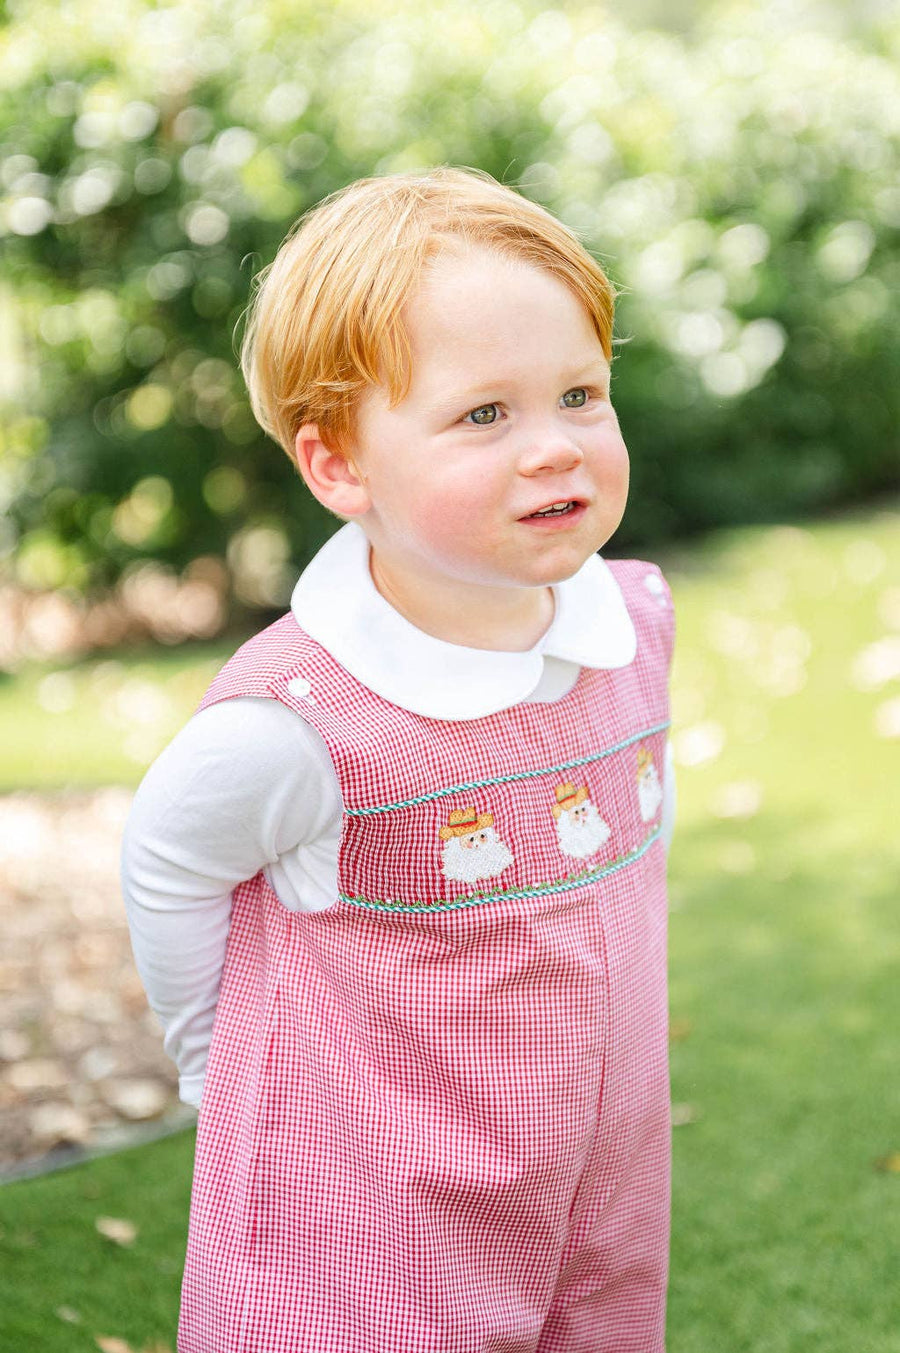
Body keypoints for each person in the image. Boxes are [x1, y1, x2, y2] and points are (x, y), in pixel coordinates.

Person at [121, 166, 677, 1353]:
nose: (554, 450)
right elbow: (169, 856)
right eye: (485, 415)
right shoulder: (302, 721)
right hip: (372, 1215)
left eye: (581, 394)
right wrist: (217, 1069)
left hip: (593, 1171)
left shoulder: (632, 624)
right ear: (339, 468)